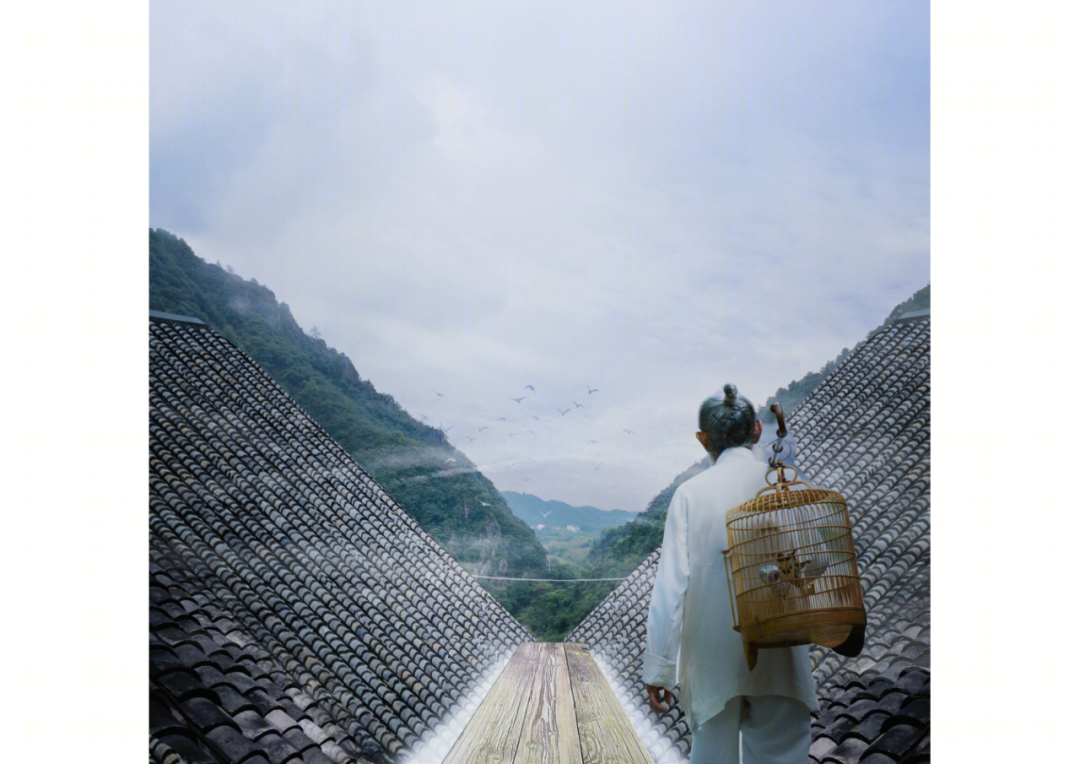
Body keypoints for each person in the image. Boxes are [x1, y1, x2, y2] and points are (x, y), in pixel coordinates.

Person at [643, 384, 818, 764]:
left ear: (702, 439)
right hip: (780, 647)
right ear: (756, 430)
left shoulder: (690, 494)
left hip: (712, 657)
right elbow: (818, 563)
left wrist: (658, 669)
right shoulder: (785, 486)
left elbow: (670, 589)